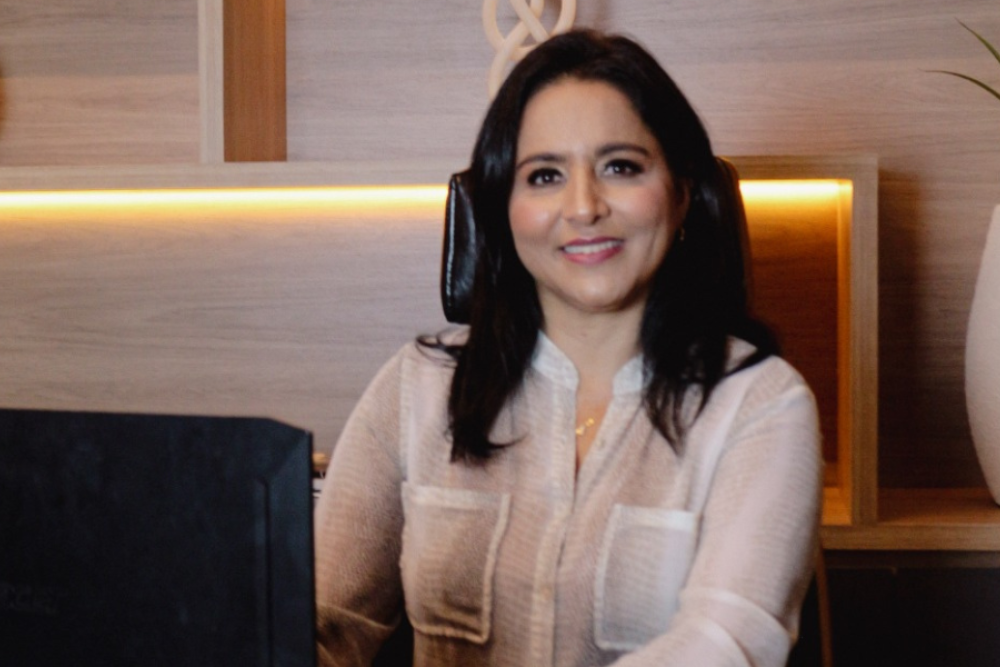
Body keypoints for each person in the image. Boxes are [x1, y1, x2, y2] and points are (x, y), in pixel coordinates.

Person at [314, 28, 822, 667]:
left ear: (682, 193)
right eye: (545, 175)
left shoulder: (761, 403)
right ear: (503, 208)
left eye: (621, 167)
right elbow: (321, 623)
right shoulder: (418, 386)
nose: (583, 207)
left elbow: (725, 644)